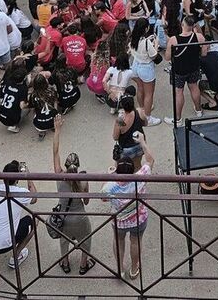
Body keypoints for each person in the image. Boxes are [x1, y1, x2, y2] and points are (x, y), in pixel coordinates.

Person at [102, 131, 155, 281]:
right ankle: (133, 269)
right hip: (138, 219)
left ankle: (120, 269)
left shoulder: (111, 186)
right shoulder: (139, 177)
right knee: (135, 241)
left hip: (119, 220)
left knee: (118, 241)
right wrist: (143, 142)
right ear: (133, 170)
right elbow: (150, 161)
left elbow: (103, 198)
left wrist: (110, 175)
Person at [51, 116, 94, 275]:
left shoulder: (58, 175)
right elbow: (87, 201)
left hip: (64, 217)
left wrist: (57, 130)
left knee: (64, 240)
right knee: (86, 238)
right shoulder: (83, 181)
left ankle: (65, 262)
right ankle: (83, 264)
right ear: (78, 166)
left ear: (66, 166)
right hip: (80, 217)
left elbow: (55, 152)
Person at [0, 160, 37, 268]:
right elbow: (34, 198)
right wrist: (27, 175)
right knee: (34, 221)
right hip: (3, 245)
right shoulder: (21, 193)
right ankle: (16, 256)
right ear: (18, 178)